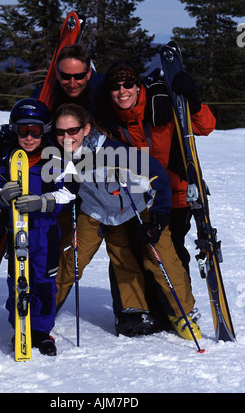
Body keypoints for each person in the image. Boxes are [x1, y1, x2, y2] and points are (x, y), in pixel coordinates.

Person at [0, 44, 155, 336]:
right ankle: (45, 308)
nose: (72, 82)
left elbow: (129, 114)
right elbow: (27, 122)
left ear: (88, 72)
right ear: (57, 74)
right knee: (64, 251)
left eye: (79, 76)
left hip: (108, 183)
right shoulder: (49, 96)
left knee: (125, 249)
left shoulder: (104, 94)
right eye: (66, 76)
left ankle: (130, 312)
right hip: (63, 180)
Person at [52, 103, 202, 341]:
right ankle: (43, 312)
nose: (65, 137)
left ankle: (184, 314)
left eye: (72, 131)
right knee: (75, 260)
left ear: (86, 129)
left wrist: (160, 214)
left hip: (137, 208)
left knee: (161, 258)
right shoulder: (63, 153)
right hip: (96, 211)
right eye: (60, 132)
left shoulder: (114, 152)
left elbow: (158, 177)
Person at [96, 59, 216, 278]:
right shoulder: (110, 119)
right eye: (115, 86)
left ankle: (180, 305)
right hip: (141, 199)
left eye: (128, 84)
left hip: (177, 195)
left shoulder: (162, 103)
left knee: (173, 251)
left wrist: (193, 100)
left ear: (138, 85)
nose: (122, 91)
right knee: (141, 253)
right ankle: (151, 308)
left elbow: (205, 126)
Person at [0, 98, 78, 356]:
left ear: (45, 130)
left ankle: (41, 331)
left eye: (35, 131)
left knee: (43, 283)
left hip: (46, 231)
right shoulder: (6, 159)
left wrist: (45, 201)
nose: (29, 137)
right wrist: (2, 196)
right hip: (17, 231)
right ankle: (20, 327)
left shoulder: (57, 158)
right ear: (14, 130)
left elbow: (70, 192)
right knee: (17, 280)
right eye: (23, 130)